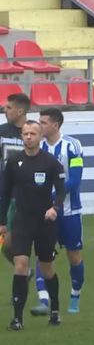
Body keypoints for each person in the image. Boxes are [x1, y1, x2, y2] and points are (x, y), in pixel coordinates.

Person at [0, 120, 65, 330]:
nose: (28, 137)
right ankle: (17, 318)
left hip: (44, 222)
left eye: (33, 134)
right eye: (25, 134)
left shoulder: (51, 162)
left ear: (40, 137)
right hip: (22, 220)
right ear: (22, 137)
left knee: (47, 268)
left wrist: (55, 207)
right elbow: (4, 193)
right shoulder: (13, 162)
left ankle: (55, 309)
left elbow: (62, 190)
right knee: (20, 265)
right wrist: (2, 222)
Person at [29, 109, 85, 316]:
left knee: (74, 256)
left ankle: (75, 295)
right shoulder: (38, 146)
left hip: (69, 210)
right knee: (43, 254)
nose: (39, 126)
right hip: (43, 212)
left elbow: (75, 178)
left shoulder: (72, 145)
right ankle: (44, 299)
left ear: (55, 125)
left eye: (43, 122)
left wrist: (53, 196)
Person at [0, 93, 30, 265]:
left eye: (8, 107)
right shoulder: (2, 131)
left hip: (28, 195)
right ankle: (24, 270)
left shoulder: (32, 131)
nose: (5, 110)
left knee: (24, 242)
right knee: (7, 245)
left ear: (20, 111)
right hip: (7, 192)